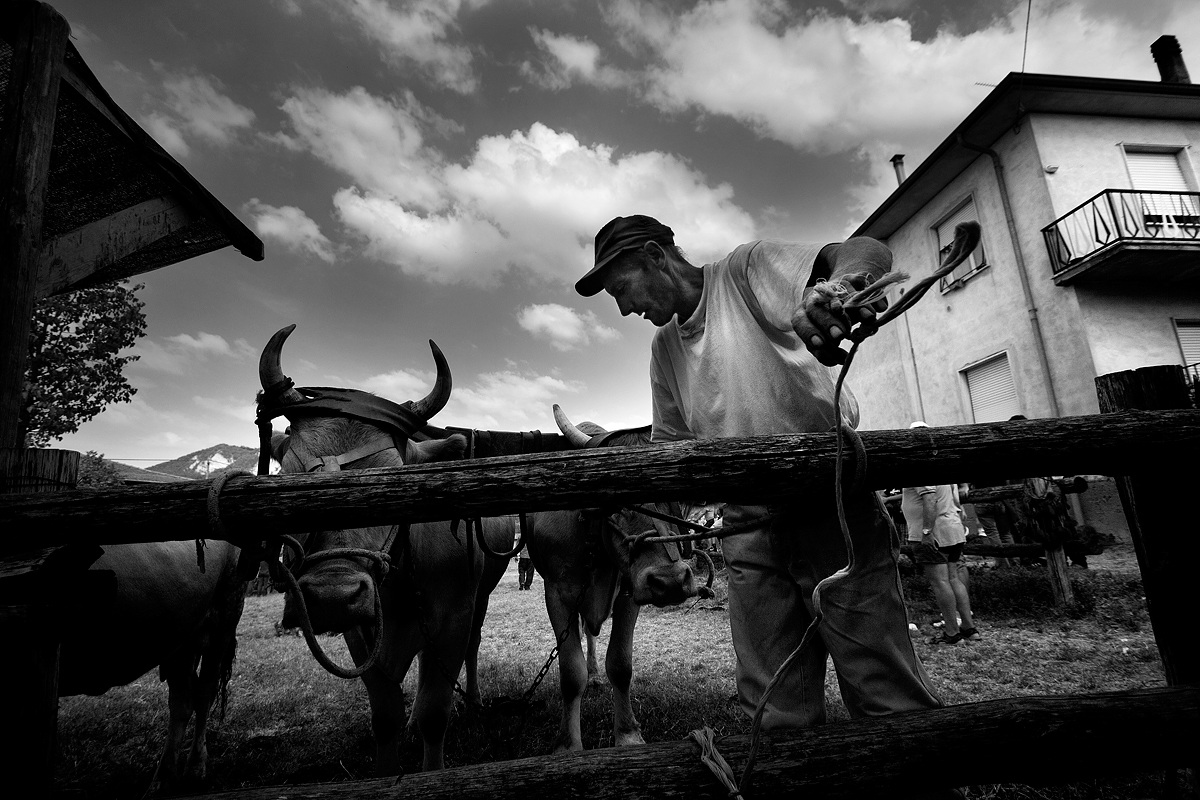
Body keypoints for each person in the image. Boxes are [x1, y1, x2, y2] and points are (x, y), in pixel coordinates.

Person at [575, 214, 943, 731]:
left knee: (886, 693)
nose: (623, 308)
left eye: (620, 288)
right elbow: (671, 453)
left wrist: (841, 288)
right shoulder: (665, 349)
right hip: (746, 528)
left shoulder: (745, 273)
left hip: (831, 506)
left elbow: (864, 249)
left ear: (656, 257)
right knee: (774, 711)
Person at [901, 422, 979, 645]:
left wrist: (926, 532)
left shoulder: (918, 465)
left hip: (933, 534)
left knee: (940, 582)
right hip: (952, 529)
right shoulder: (941, 464)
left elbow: (929, 498)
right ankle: (968, 627)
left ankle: (952, 633)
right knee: (954, 578)